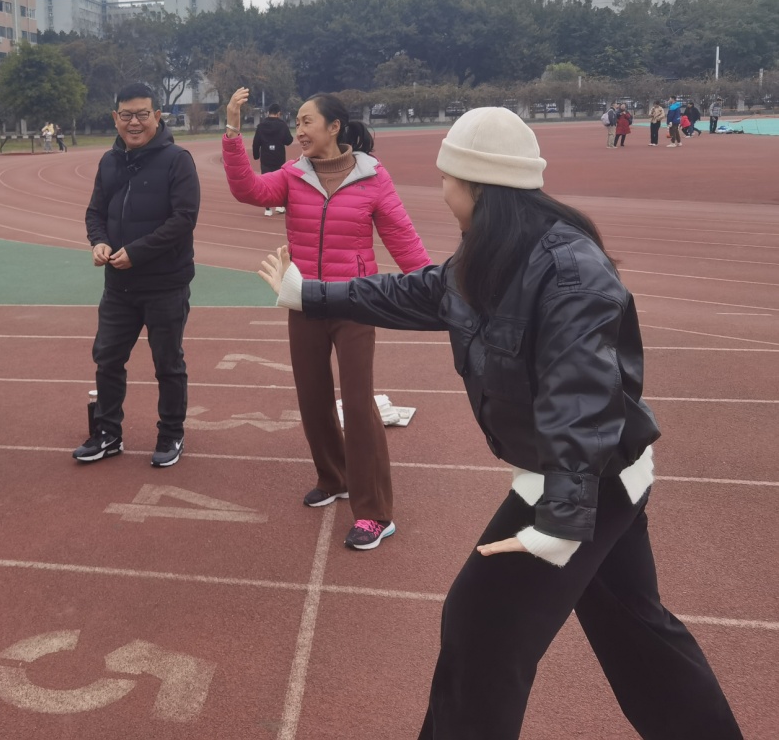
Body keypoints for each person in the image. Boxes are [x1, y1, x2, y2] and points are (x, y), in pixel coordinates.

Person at [257, 107, 743, 740]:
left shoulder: (569, 270)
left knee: (480, 631)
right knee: (637, 630)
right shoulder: (491, 256)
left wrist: (560, 520)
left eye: (447, 179)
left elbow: (582, 398)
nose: (442, 190)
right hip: (592, 475)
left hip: (584, 478)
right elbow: (415, 292)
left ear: (478, 187)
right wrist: (309, 294)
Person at [225, 88, 429, 550]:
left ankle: (375, 513)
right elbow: (248, 189)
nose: (298, 131)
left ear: (334, 127)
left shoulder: (372, 176)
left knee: (358, 405)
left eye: (307, 122)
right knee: (312, 397)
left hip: (355, 303)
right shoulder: (293, 175)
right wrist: (233, 132)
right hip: (304, 300)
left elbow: (402, 237)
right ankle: (334, 477)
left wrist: (432, 287)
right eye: (296, 123)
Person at [77, 82, 200, 469]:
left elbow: (184, 219)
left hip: (165, 284)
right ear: (115, 118)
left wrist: (137, 252)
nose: (134, 123)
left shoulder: (178, 160)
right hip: (119, 286)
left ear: (157, 117)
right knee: (107, 359)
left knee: (168, 363)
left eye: (143, 115)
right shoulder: (109, 161)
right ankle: (107, 433)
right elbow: (95, 212)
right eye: (127, 115)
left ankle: (171, 433)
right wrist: (99, 242)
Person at [250, 103, 293, 215]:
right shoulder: (282, 125)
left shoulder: (261, 126)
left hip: (266, 157)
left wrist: (256, 155)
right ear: (278, 113)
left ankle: (268, 209)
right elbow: (289, 141)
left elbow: (256, 143)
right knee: (280, 182)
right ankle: (280, 206)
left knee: (266, 182)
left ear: (268, 112)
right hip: (279, 156)